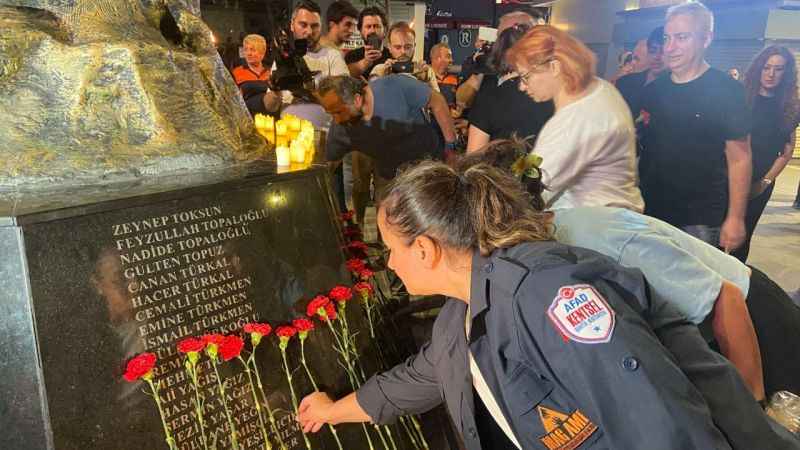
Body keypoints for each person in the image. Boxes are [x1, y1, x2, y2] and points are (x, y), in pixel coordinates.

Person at [296, 160, 800, 450]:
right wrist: (330, 410)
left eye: (391, 248)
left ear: (425, 249)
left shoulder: (550, 294)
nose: (388, 262)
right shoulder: (461, 312)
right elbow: (417, 379)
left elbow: (661, 426)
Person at [459, 137, 800, 402]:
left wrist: (752, 411)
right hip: (713, 328)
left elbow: (726, 298)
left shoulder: (597, 237)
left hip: (756, 319)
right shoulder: (543, 246)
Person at [639, 2, 752, 253]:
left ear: (706, 38)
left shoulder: (727, 91)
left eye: (681, 38)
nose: (670, 47)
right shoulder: (653, 91)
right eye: (668, 38)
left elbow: (739, 158)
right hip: (650, 209)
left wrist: (735, 218)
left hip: (699, 218)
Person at [508, 25, 644, 212]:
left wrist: (509, 173)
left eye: (525, 77)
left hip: (592, 228)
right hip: (616, 220)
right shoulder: (601, 88)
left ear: (554, 67)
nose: (522, 87)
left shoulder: (575, 120)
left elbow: (526, 183)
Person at [318, 75, 455, 190]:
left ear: (357, 99)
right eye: (330, 113)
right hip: (392, 181)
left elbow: (437, 101)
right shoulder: (340, 128)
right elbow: (329, 165)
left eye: (338, 112)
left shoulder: (395, 86)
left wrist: (450, 147)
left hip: (430, 168)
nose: (336, 119)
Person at [734, 46, 799, 261]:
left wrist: (765, 181)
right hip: (729, 176)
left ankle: (735, 287)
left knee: (743, 237)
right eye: (767, 67)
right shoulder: (741, 96)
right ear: (758, 69)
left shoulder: (789, 107)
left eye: (778, 69)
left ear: (786, 73)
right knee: (716, 234)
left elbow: (787, 150)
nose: (771, 74)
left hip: (760, 181)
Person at [465, 23, 554, 152]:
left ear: (497, 53)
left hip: (500, 171)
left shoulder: (489, 98)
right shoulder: (553, 94)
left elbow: (473, 156)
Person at [456, 9, 540, 110]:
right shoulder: (482, 62)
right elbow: (462, 101)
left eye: (501, 37)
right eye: (497, 37)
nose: (497, 43)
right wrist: (481, 68)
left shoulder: (537, 76)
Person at [370, 22, 439, 92]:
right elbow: (371, 99)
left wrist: (424, 82)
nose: (403, 51)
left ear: (414, 46)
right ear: (389, 47)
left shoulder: (426, 71)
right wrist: (384, 79)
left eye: (408, 47)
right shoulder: (379, 70)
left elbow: (438, 101)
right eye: (398, 47)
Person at [615, 26, 666, 118]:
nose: (657, 57)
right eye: (653, 51)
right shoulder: (624, 82)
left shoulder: (672, 91)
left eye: (663, 52)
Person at [231, 34, 272, 115]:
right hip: (247, 117)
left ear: (262, 53)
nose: (248, 53)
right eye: (246, 50)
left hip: (270, 118)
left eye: (252, 50)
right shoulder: (236, 72)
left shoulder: (270, 72)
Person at [345, 6, 391, 79]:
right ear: (360, 31)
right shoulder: (352, 56)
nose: (372, 30)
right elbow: (345, 77)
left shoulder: (392, 56)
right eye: (368, 27)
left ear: (385, 31)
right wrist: (365, 62)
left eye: (376, 26)